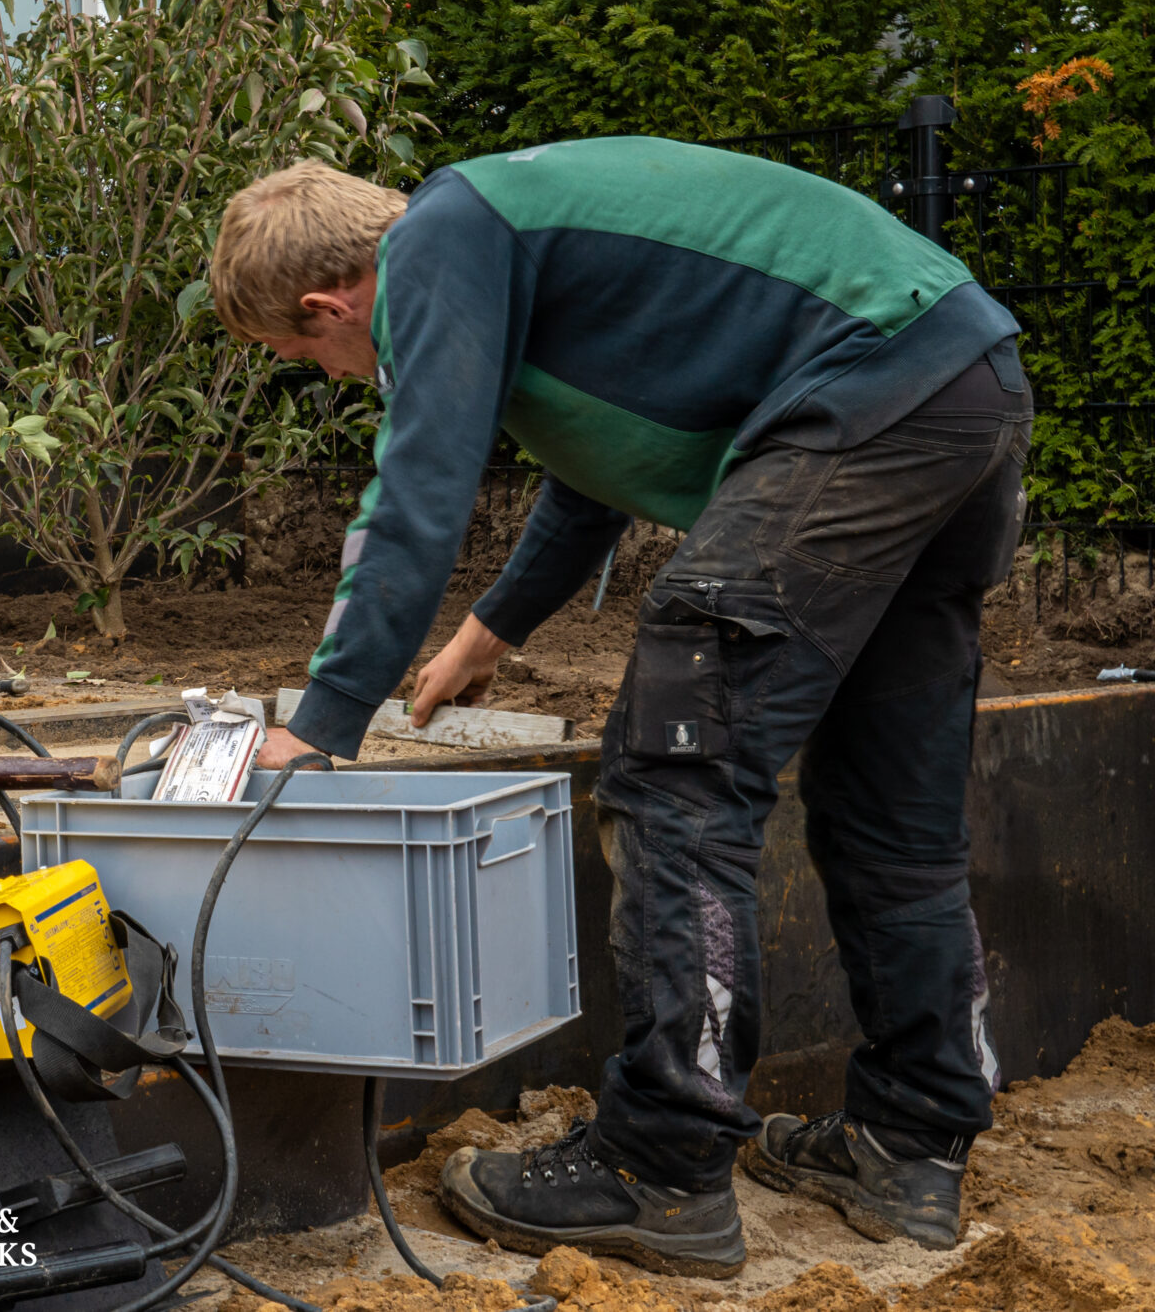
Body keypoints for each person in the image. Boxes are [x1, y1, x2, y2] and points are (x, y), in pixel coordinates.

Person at [211, 143, 1030, 1280]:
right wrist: (483, 636)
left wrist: (320, 720)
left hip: (864, 401)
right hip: (959, 386)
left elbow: (418, 483)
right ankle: (910, 1144)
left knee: (676, 776)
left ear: (328, 300)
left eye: (307, 353)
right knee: (888, 803)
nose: (338, 373)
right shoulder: (523, 241)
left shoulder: (441, 236)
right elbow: (593, 476)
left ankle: (660, 1167)